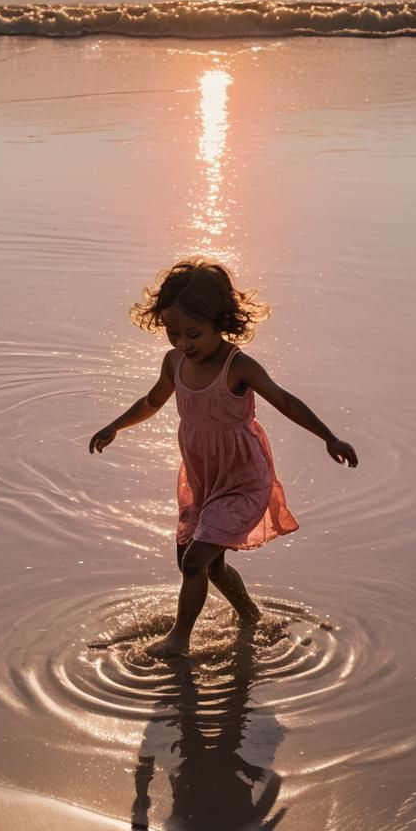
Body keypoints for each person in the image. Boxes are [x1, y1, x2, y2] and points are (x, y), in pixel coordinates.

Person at [89, 259, 357, 658]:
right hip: (203, 479)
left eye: (193, 334)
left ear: (220, 322)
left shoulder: (238, 367)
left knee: (196, 562)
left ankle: (179, 639)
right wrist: (116, 426)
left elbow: (284, 400)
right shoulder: (175, 362)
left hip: (242, 480)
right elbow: (152, 401)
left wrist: (329, 437)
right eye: (173, 333)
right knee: (197, 563)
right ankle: (250, 615)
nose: (183, 343)